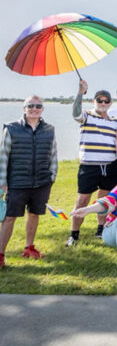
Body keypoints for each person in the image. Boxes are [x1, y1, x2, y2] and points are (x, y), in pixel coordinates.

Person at [0, 96, 57, 267]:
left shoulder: (49, 129)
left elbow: (53, 155)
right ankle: (1, 254)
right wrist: (3, 181)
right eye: (30, 105)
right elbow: (3, 156)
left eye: (38, 106)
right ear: (24, 108)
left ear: (42, 109)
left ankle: (29, 248)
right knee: (9, 218)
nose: (34, 108)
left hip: (41, 182)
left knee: (34, 214)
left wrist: (52, 176)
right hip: (17, 182)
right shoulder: (11, 128)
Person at [68, 81, 117, 246]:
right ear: (94, 102)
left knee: (105, 199)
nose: (103, 104)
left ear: (111, 103)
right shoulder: (87, 116)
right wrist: (80, 93)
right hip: (89, 166)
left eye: (106, 101)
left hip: (110, 166)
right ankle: (74, 234)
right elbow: (75, 113)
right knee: (83, 200)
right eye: (100, 101)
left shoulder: (115, 122)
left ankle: (101, 229)